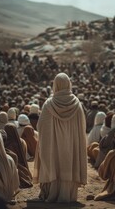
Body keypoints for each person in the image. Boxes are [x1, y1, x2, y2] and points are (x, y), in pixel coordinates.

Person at [33, 72, 87, 202]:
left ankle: (52, 194)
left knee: (53, 165)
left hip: (53, 147)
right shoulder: (77, 104)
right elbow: (82, 129)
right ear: (68, 84)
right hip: (71, 146)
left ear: (55, 85)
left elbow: (40, 127)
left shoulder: (48, 104)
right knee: (68, 165)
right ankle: (67, 195)